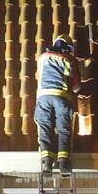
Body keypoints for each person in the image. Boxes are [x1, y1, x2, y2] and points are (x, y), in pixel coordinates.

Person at [35, 34, 80, 175]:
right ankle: (63, 162)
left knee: (45, 128)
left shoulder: (42, 58)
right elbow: (76, 87)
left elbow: (39, 75)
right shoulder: (69, 59)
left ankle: (47, 162)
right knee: (63, 129)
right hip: (62, 97)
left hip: (43, 97)